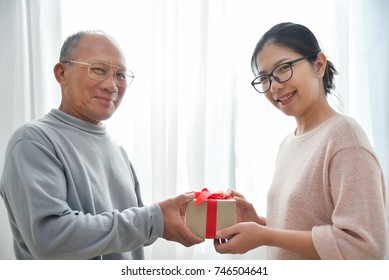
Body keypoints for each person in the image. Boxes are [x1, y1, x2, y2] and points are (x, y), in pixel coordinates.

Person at [0, 30, 203, 260]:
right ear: (62, 73)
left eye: (121, 75)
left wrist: (173, 217)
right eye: (99, 70)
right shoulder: (33, 141)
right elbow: (51, 239)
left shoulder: (117, 150)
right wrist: (153, 219)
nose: (112, 86)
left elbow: (134, 231)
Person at [214, 22, 387, 259]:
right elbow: (304, 228)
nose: (274, 86)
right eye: (264, 78)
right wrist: (260, 223)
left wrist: (265, 235)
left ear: (319, 65)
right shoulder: (287, 144)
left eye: (283, 68)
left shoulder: (345, 137)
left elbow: (364, 248)